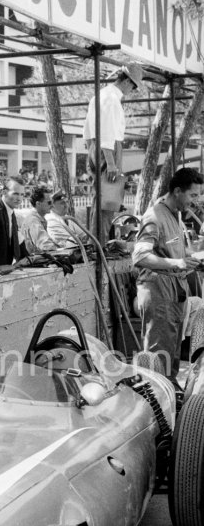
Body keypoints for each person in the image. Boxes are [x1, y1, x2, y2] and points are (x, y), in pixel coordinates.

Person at [132, 167, 204, 384]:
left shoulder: (175, 215)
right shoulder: (155, 216)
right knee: (157, 357)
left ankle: (171, 399)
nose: (196, 200)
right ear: (177, 191)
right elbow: (140, 256)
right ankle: (156, 403)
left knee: (171, 355)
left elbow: (174, 252)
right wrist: (178, 262)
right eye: (192, 195)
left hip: (174, 292)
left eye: (199, 195)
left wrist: (193, 259)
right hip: (157, 290)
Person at [83, 62, 146, 243]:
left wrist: (93, 152)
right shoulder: (111, 98)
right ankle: (98, 246)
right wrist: (110, 162)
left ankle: (96, 244)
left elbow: (87, 131)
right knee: (107, 203)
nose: (132, 90)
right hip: (108, 149)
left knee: (102, 202)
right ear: (127, 81)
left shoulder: (100, 95)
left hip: (98, 147)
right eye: (133, 86)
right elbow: (108, 132)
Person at [0, 176, 29, 268]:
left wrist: (29, 260)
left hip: (5, 268)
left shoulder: (10, 210)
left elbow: (18, 241)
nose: (19, 199)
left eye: (22, 194)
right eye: (16, 194)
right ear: (4, 192)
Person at [20, 187, 60, 254]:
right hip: (33, 261)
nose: (52, 205)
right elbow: (46, 245)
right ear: (38, 204)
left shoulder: (39, 218)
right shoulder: (33, 221)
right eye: (49, 202)